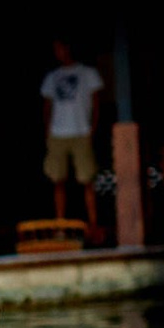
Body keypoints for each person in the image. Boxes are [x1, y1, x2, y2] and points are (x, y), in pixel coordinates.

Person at [40, 39, 104, 228]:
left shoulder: (88, 73)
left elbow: (97, 104)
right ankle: (61, 222)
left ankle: (93, 222)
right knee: (57, 179)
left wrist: (92, 128)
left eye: (60, 48)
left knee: (87, 179)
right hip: (58, 133)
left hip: (81, 130)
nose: (57, 53)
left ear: (68, 48)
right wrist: (48, 130)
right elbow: (47, 106)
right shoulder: (52, 76)